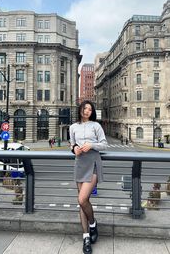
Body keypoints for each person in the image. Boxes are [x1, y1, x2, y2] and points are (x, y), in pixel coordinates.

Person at [70, 100, 108, 254]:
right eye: (85, 108)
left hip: (93, 163)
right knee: (82, 202)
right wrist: (75, 149)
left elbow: (104, 144)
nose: (87, 111)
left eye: (90, 109)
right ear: (80, 110)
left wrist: (91, 145)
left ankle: (93, 224)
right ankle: (86, 237)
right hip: (80, 163)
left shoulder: (96, 126)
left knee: (82, 199)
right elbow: (71, 144)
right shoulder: (73, 127)